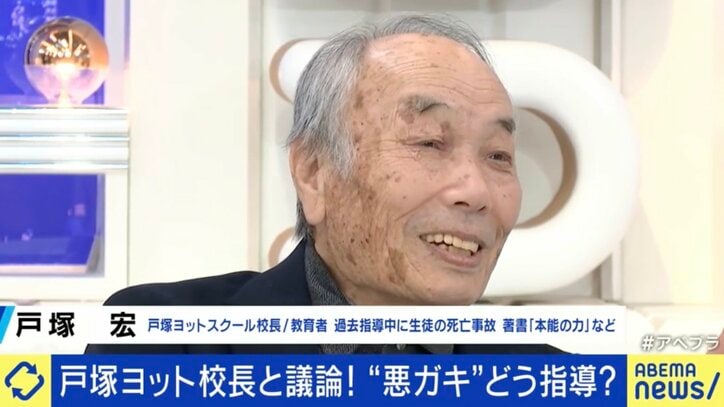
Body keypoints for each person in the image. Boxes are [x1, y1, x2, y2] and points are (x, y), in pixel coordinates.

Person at [86, 14, 723, 355]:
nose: (476, 190)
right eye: (429, 143)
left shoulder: (537, 373)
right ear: (314, 172)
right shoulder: (162, 341)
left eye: (499, 155)